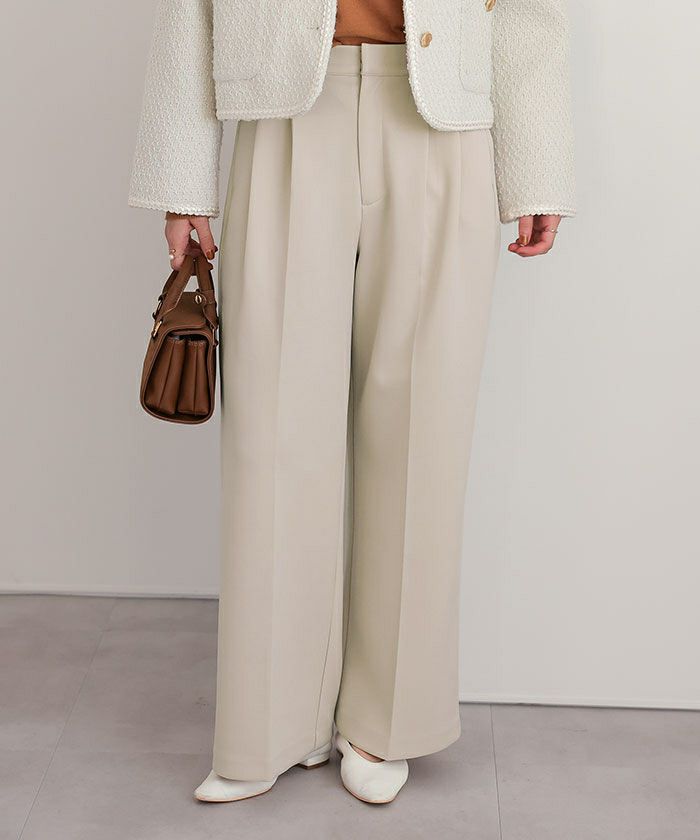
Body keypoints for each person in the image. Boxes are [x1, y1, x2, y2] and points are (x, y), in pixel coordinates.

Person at [129, 0, 575, 805]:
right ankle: (269, 724)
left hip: (442, 113)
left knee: (422, 429)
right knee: (272, 435)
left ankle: (385, 723)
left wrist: (537, 165)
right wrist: (180, 180)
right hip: (286, 109)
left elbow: (525, 11)